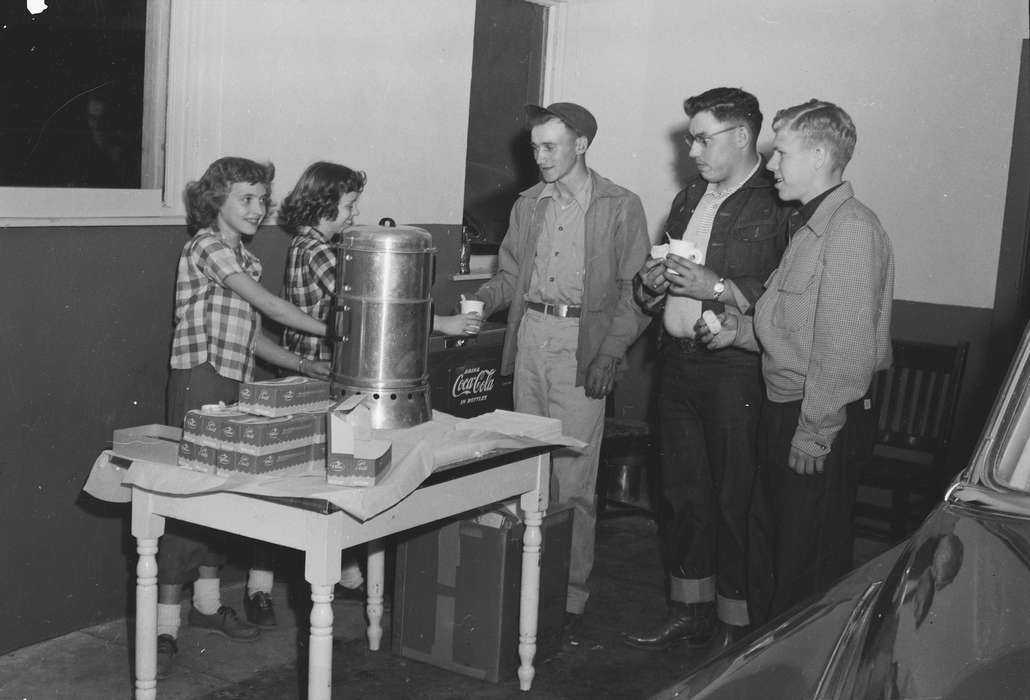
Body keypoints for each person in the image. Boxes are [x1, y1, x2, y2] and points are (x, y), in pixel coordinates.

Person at [700, 99, 895, 618]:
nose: (771, 164)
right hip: (788, 409)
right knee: (774, 551)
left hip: (816, 417)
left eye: (781, 153)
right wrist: (739, 332)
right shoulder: (809, 226)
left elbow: (846, 350)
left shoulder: (850, 229)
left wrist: (815, 431)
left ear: (819, 155)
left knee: (805, 567)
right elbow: (794, 327)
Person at [469, 102, 651, 640]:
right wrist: (479, 303)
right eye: (535, 148)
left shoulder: (620, 205)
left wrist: (609, 353)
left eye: (551, 146)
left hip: (581, 345)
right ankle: (524, 581)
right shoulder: (529, 204)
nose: (541, 157)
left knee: (573, 480)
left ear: (582, 144)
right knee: (528, 470)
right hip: (531, 338)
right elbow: (510, 276)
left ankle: (568, 594)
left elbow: (636, 291)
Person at [622, 88, 791, 653]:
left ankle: (735, 622)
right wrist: (650, 285)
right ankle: (689, 610)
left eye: (701, 138)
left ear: (741, 137)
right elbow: (657, 280)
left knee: (735, 496)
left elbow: (786, 293)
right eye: (690, 139)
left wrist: (717, 287)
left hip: (735, 369)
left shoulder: (778, 201)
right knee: (682, 492)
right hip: (677, 364)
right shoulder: (690, 197)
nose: (691, 151)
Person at [158, 156, 331, 679]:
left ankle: (207, 608)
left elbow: (255, 337)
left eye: (263, 199)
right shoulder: (207, 247)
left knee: (222, 496)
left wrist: (305, 364)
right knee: (187, 499)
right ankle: (164, 628)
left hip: (233, 382)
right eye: (246, 199)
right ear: (216, 201)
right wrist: (341, 332)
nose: (259, 209)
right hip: (199, 379)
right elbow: (273, 309)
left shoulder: (245, 259)